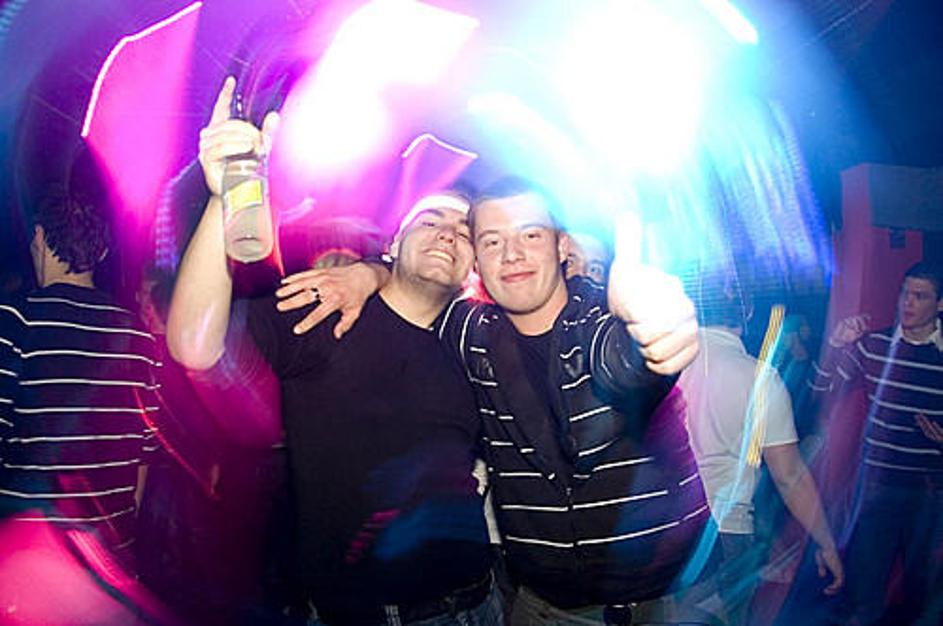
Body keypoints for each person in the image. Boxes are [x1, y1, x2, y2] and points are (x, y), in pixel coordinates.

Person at [281, 178, 711, 625]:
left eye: (531, 235)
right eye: (491, 241)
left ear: (563, 247)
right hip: (542, 610)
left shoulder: (599, 321)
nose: (512, 254)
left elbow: (622, 363)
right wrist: (368, 273)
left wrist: (653, 335)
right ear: (476, 263)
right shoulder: (469, 334)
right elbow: (417, 278)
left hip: (673, 602)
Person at [167, 77, 501, 625]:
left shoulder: (474, 343)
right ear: (393, 244)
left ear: (472, 269)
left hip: (478, 603)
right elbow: (194, 346)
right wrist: (222, 198)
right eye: (431, 220)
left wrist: (370, 273)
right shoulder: (325, 309)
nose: (448, 234)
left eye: (465, 232)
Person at [0, 163, 159, 566]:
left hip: (30, 558)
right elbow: (142, 459)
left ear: (39, 237)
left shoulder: (17, 320)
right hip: (109, 558)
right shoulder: (139, 338)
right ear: (101, 253)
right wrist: (125, 545)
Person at [678, 274, 843, 624]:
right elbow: (789, 476)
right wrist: (826, 542)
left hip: (663, 529)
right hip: (725, 533)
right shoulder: (759, 378)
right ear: (748, 312)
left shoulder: (662, 365)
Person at [809, 261, 943, 625]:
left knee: (923, 591)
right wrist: (835, 345)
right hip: (878, 485)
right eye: (904, 293)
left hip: (932, 490)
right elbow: (819, 392)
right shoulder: (874, 346)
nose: (907, 302)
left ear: (940, 304)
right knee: (864, 588)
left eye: (920, 296)